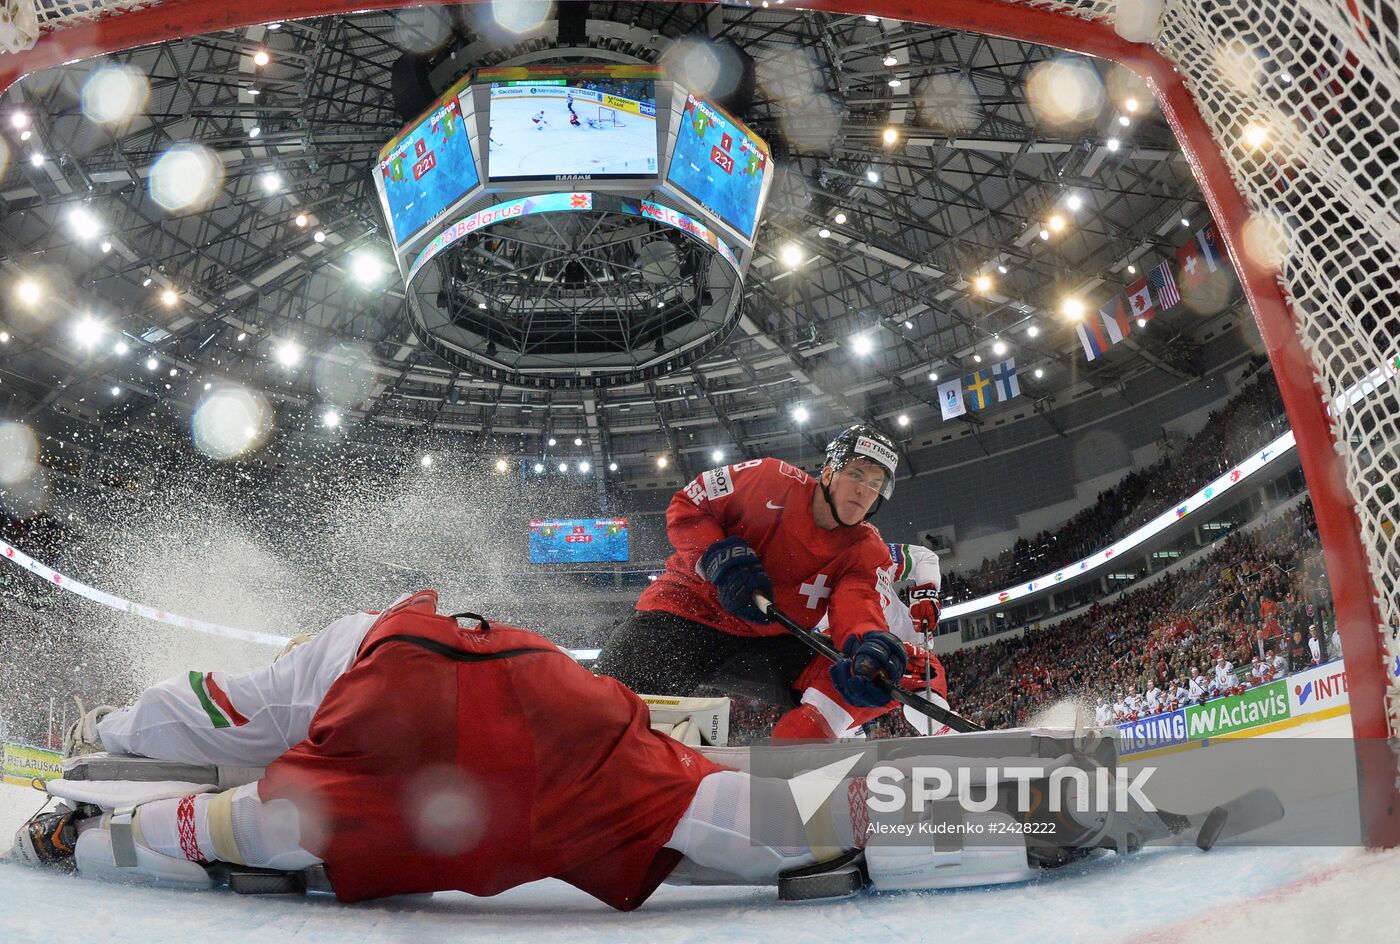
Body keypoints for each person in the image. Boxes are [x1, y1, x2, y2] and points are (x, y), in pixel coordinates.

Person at [12, 590, 966, 906]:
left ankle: (80, 837)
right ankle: (969, 810)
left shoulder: (329, 667)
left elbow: (211, 724)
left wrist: (107, 744)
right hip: (544, 688)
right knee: (719, 813)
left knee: (270, 824)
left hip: (408, 718)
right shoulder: (367, 639)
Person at [593, 425, 911, 738]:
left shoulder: (866, 549)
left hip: (766, 641)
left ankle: (793, 760)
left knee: (852, 677)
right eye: (856, 475)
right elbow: (690, 502)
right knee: (604, 701)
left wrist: (866, 642)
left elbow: (859, 603)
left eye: (875, 483)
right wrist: (715, 556)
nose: (863, 491)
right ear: (828, 473)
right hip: (685, 613)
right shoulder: (769, 478)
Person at [777, 541, 949, 740]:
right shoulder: (795, 596)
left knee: (925, 701)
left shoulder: (867, 554)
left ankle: (944, 732)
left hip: (908, 652)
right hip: (862, 665)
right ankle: (848, 742)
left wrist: (926, 593)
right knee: (828, 708)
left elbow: (924, 557)